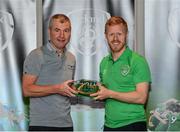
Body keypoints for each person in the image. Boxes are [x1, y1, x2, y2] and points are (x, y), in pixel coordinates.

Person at [90, 16, 151, 131]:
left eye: (119, 34)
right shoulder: (104, 63)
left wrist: (109, 93)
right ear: (105, 36)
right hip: (109, 126)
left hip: (133, 124)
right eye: (111, 34)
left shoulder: (137, 61)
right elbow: (106, 93)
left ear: (126, 34)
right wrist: (94, 92)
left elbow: (141, 97)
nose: (115, 38)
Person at [22, 14, 78, 131]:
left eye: (66, 31)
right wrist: (57, 88)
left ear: (70, 33)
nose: (62, 35)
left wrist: (79, 89)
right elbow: (26, 90)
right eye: (57, 30)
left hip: (66, 125)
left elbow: (65, 89)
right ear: (49, 31)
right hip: (42, 125)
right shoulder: (36, 55)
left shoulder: (71, 58)